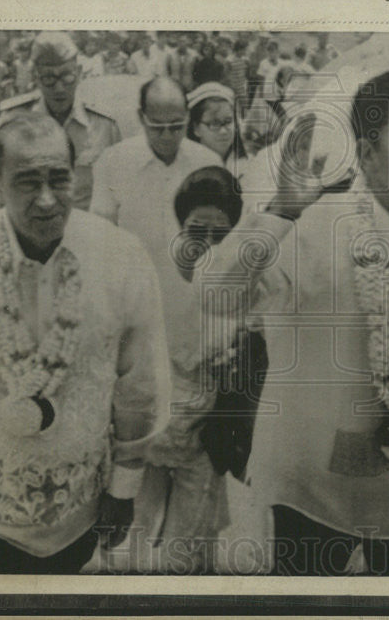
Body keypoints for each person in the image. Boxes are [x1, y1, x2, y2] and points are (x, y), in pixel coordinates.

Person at [198, 64, 389, 576]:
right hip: (307, 494)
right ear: (368, 152)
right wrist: (282, 210)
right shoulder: (310, 225)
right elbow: (216, 297)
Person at [0, 113, 171, 574]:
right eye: (26, 182)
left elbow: (139, 386)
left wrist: (124, 489)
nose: (46, 200)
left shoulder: (121, 256)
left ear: (77, 176)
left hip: (82, 507)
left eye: (58, 179)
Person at [145, 166, 269, 573]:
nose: (208, 245)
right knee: (134, 547)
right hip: (147, 442)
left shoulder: (249, 286)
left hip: (205, 444)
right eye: (197, 231)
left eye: (221, 235)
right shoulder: (152, 277)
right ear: (180, 227)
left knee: (187, 558)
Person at [91, 76, 221, 281]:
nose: (167, 136)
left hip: (191, 295)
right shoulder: (113, 162)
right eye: (157, 127)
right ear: (141, 117)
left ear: (188, 116)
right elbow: (101, 236)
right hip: (134, 288)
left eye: (177, 126)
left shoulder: (208, 163)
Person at [0, 31, 122, 211]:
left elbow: (117, 190)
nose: (59, 88)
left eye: (67, 76)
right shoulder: (14, 122)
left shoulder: (104, 125)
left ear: (79, 72)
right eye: (49, 78)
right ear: (36, 77)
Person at [186, 81, 250, 180]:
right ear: (196, 128)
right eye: (215, 124)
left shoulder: (247, 165)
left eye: (228, 121)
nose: (223, 131)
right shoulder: (188, 169)